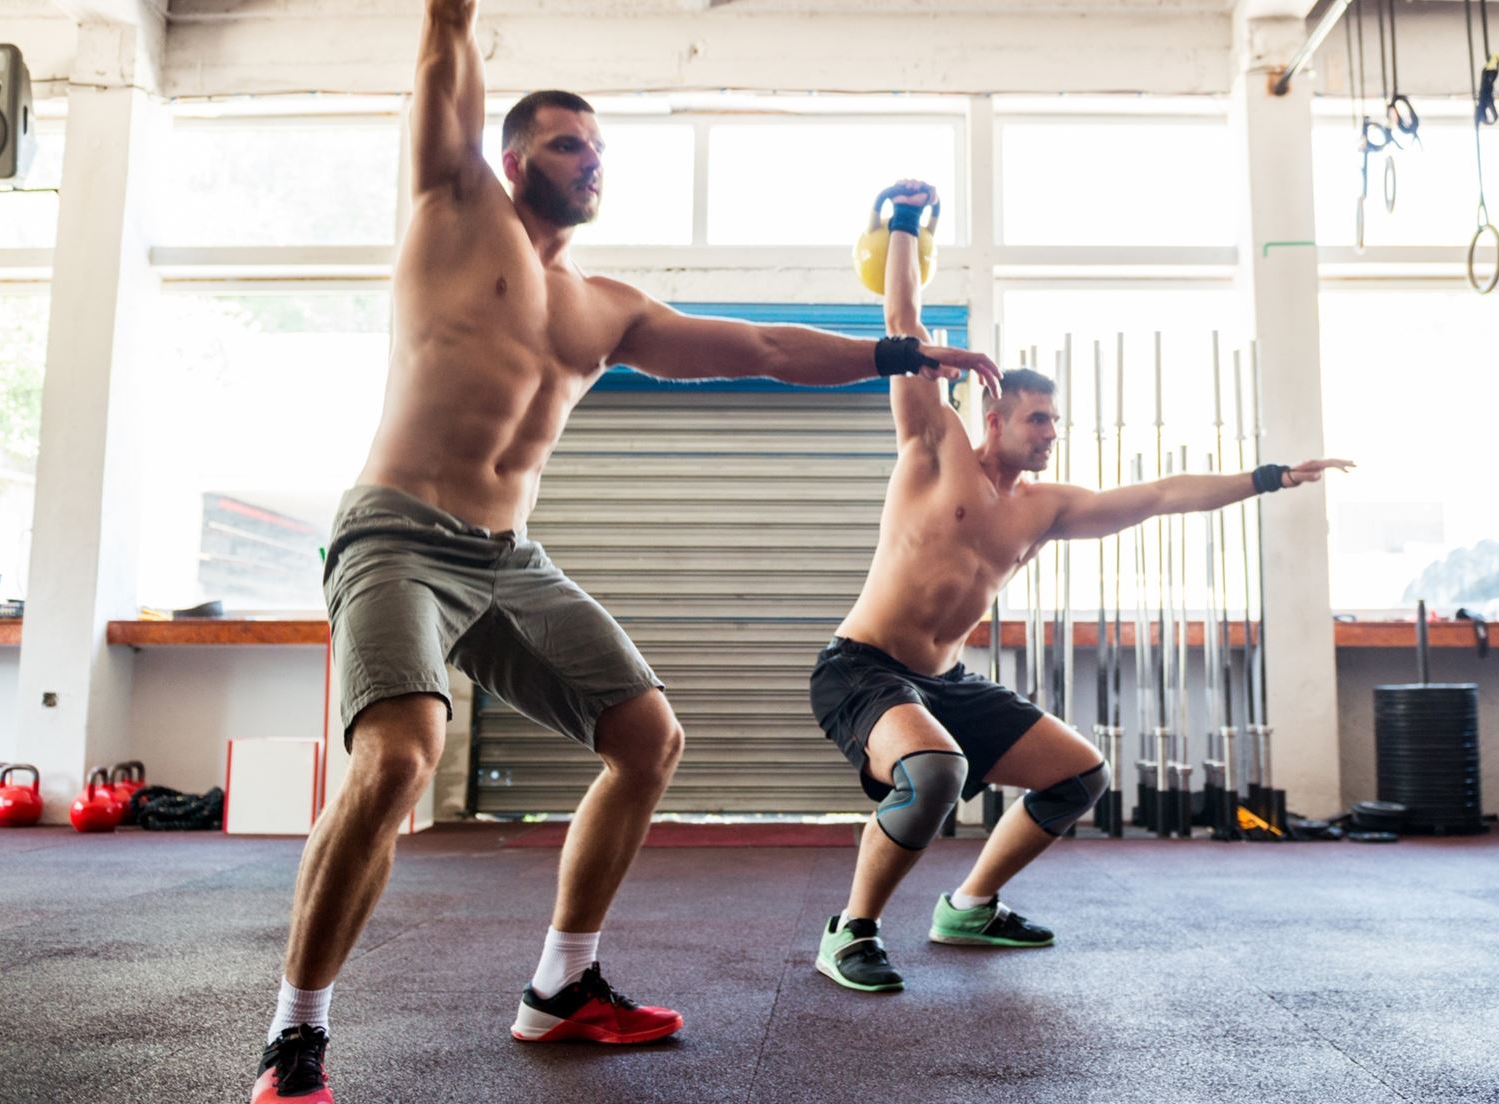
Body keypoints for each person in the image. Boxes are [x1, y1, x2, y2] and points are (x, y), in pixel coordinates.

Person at [249, 7, 1001, 1101]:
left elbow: (761, 347)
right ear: (511, 159)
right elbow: (442, 50)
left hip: (509, 556)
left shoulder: (604, 306)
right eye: (566, 143)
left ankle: (561, 990)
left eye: (598, 147)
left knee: (646, 738)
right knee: (402, 758)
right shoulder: (453, 210)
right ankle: (296, 1033)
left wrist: (900, 348)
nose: (589, 158)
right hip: (398, 533)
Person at [809, 180, 1351, 992]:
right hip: (862, 668)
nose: (1051, 434)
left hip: (942, 682)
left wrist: (1268, 477)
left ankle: (970, 905)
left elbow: (1165, 494)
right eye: (1038, 420)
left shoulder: (1046, 509)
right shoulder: (934, 446)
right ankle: (851, 930)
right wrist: (907, 227)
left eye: (1057, 423)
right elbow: (904, 329)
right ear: (993, 415)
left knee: (1080, 774)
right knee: (935, 777)